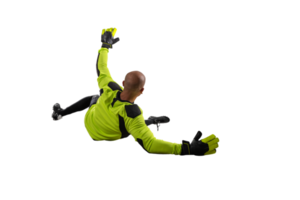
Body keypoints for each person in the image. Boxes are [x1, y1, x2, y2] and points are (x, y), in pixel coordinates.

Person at [51, 25, 220, 157]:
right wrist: (187, 150)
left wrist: (105, 45)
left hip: (89, 121)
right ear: (143, 91)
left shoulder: (110, 87)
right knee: (133, 128)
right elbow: (150, 144)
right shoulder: (133, 113)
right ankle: (151, 122)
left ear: (122, 82)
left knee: (94, 96)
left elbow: (101, 66)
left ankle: (60, 113)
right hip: (103, 137)